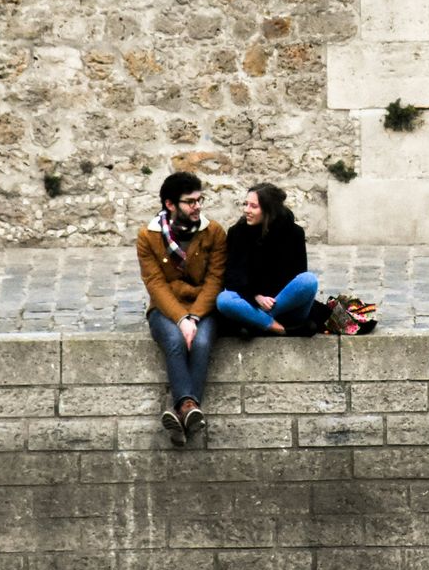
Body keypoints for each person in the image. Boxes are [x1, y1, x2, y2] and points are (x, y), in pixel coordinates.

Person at [135, 172, 224, 447]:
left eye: (200, 200)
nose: (197, 206)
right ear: (170, 205)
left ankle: (180, 410)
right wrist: (181, 318)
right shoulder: (148, 237)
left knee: (203, 340)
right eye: (190, 202)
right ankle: (189, 407)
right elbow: (156, 284)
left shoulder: (214, 232)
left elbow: (215, 280)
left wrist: (194, 315)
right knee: (173, 341)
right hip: (165, 308)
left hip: (204, 307)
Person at [217, 183, 318, 336]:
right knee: (224, 300)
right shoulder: (237, 232)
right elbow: (232, 278)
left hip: (285, 307)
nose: (246, 210)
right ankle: (276, 327)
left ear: (269, 210)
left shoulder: (294, 233)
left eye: (253, 206)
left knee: (309, 280)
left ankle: (256, 323)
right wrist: (256, 296)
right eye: (246, 204)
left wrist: (271, 301)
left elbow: (297, 275)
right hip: (251, 303)